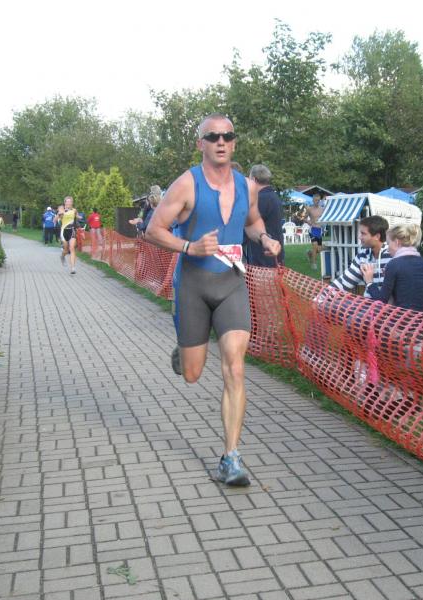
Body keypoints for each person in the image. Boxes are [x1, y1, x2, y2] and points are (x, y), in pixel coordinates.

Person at [146, 113, 281, 487]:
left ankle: (231, 457)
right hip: (192, 283)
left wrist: (264, 238)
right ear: (200, 144)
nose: (221, 141)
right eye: (212, 136)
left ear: (234, 143)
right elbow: (153, 230)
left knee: (235, 367)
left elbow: (252, 222)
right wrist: (189, 246)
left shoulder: (247, 187)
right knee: (192, 374)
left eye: (227, 136)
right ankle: (184, 349)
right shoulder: (186, 185)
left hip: (231, 283)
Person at [361, 223, 423, 312]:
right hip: (422, 319)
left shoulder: (394, 264)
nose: (387, 249)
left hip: (401, 319)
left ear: (397, 242)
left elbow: (381, 302)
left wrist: (369, 282)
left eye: (388, 243)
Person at [331, 215, 392, 297]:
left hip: (387, 304)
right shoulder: (363, 255)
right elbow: (344, 281)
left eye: (363, 234)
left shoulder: (393, 255)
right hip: (367, 303)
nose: (359, 237)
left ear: (377, 236)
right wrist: (320, 298)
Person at [243, 164, 284, 267]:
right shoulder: (274, 196)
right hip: (275, 252)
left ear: (253, 179)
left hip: (263, 256)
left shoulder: (260, 199)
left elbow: (250, 225)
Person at [54, 196, 79, 274]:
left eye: (70, 201)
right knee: (66, 250)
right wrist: (58, 214)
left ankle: (73, 268)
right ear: (65, 203)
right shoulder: (62, 210)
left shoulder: (74, 210)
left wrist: (79, 217)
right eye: (67, 201)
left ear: (72, 203)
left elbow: (77, 216)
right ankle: (62, 256)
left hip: (72, 231)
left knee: (72, 248)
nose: (68, 203)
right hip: (63, 232)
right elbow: (54, 220)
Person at [305, 193, 324, 270]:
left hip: (320, 230)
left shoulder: (322, 209)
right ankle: (314, 264)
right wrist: (308, 222)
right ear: (313, 200)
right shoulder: (309, 209)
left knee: (319, 250)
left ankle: (309, 253)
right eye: (316, 200)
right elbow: (304, 218)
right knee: (315, 246)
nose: (317, 202)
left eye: (318, 200)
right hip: (312, 229)